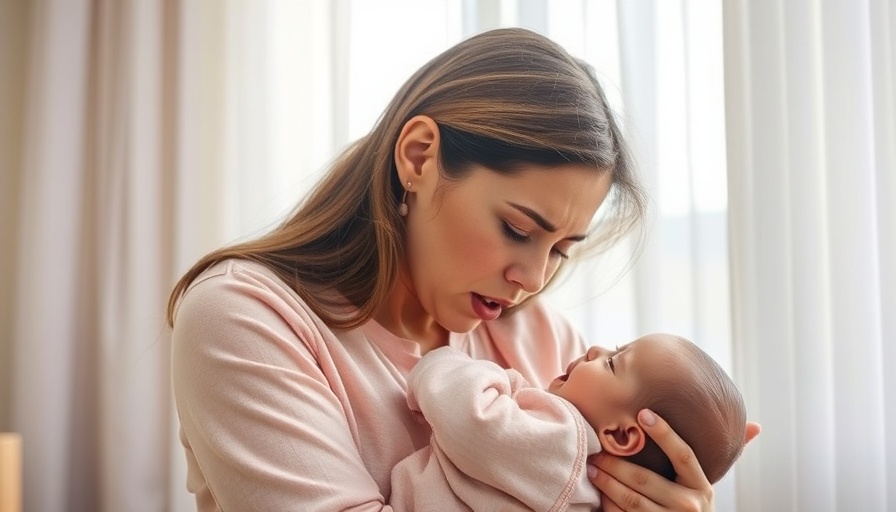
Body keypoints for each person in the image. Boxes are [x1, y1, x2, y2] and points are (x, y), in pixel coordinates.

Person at [167, 27, 759, 511]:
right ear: (419, 157)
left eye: (560, 250)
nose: (533, 279)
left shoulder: (542, 337)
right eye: (518, 230)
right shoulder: (246, 318)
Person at [390, 333, 747, 511]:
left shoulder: (562, 443)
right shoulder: (592, 498)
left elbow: (471, 419)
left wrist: (441, 363)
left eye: (613, 362)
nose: (596, 350)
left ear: (621, 435)